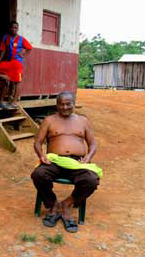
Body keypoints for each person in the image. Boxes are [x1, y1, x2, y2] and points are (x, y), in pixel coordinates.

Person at [31, 91, 99, 233]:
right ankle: (53, 204)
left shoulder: (82, 121)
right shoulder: (49, 120)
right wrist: (42, 155)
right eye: (61, 104)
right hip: (54, 161)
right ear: (57, 105)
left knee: (91, 180)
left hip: (77, 162)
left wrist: (88, 157)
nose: (65, 107)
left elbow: (93, 144)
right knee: (38, 174)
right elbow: (37, 143)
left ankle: (67, 204)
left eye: (68, 104)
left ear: (73, 104)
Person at [0, 21, 33, 107]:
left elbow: (29, 48)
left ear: (18, 29)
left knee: (17, 82)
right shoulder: (6, 37)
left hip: (17, 62)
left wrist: (23, 54)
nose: (13, 29)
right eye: (12, 27)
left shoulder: (21, 39)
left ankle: (15, 101)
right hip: (8, 62)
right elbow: (3, 50)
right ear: (9, 28)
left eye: (16, 28)